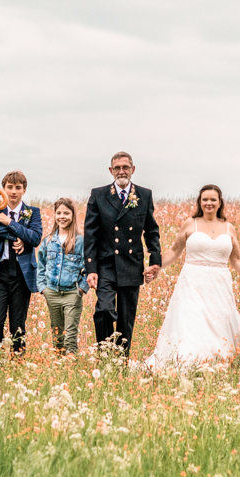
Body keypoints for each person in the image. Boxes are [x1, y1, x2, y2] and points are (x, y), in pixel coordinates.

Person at [144, 184, 240, 368]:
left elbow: (237, 260)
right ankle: (188, 362)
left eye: (213, 199)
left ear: (220, 202)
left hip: (219, 284)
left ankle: (217, 362)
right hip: (192, 282)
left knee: (218, 322)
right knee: (192, 321)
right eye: (205, 199)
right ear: (200, 202)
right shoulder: (191, 224)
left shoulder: (229, 228)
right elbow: (174, 251)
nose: (209, 203)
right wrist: (156, 267)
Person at [83, 152, 161, 357]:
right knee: (104, 310)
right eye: (117, 168)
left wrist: (155, 261)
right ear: (111, 171)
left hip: (131, 264)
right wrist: (91, 269)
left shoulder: (144, 195)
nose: (121, 171)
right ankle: (104, 353)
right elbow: (90, 235)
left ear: (133, 169)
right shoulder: (98, 195)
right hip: (106, 264)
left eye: (125, 167)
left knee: (126, 318)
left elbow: (151, 231)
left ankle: (121, 360)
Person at [0, 171, 41, 354]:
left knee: (18, 325)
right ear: (3, 189)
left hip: (22, 276)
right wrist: (17, 234)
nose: (13, 191)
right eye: (9, 187)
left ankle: (18, 362)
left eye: (18, 188)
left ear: (24, 190)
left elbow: (35, 238)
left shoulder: (32, 212)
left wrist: (9, 223)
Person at [37, 198, 88, 356]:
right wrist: (43, 288)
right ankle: (59, 368)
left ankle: (71, 368)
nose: (62, 216)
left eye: (66, 213)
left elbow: (88, 267)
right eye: (59, 213)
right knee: (57, 335)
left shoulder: (80, 241)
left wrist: (81, 289)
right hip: (52, 292)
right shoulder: (48, 241)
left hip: (72, 293)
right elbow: (41, 266)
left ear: (73, 215)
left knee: (70, 336)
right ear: (54, 215)